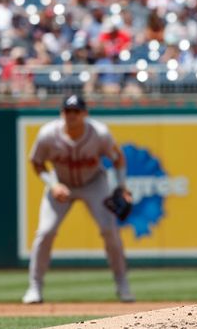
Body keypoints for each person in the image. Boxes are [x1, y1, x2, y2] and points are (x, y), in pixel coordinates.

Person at [22, 94, 134, 304]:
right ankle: (34, 287)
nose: (71, 115)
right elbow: (36, 163)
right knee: (45, 232)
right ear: (61, 113)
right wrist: (52, 185)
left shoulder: (99, 133)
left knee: (109, 230)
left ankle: (122, 283)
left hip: (94, 183)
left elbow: (118, 159)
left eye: (76, 111)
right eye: (67, 111)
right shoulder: (47, 134)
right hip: (61, 183)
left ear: (85, 113)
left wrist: (122, 187)